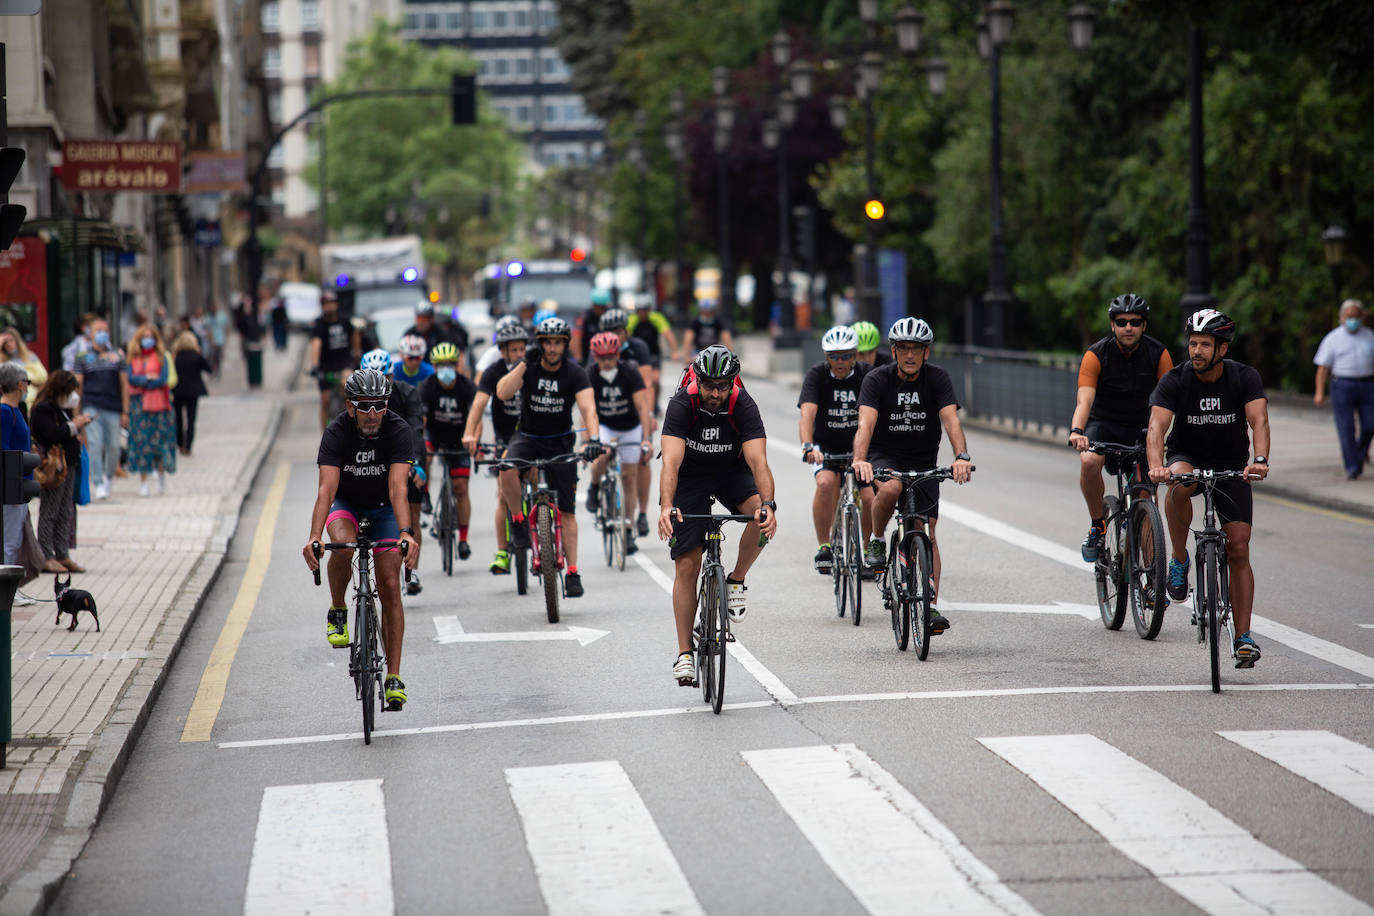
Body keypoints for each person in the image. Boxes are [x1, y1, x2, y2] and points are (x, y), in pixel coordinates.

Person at [1147, 309, 1270, 666]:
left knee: (1239, 549)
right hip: (1187, 455)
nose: (1195, 350)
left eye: (1204, 344)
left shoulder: (1244, 378)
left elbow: (1259, 420)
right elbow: (1156, 428)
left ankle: (1243, 637)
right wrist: (1157, 465)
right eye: (1193, 343)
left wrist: (1259, 460)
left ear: (1222, 349)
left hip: (1232, 463)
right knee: (1179, 483)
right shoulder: (1175, 380)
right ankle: (1180, 558)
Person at [658, 345, 777, 684]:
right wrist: (667, 506)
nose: (715, 392)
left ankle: (736, 579)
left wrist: (768, 504)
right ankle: (684, 654)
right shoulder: (682, 403)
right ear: (697, 378)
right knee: (687, 563)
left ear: (732, 382)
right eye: (709, 384)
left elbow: (758, 462)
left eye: (722, 385)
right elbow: (670, 462)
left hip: (731, 471)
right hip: (690, 478)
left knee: (761, 519)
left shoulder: (743, 404)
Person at [303, 368, 420, 710]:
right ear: (350, 407)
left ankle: (394, 676)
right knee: (340, 544)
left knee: (390, 583)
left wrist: (406, 534)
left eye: (379, 406)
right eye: (365, 407)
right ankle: (338, 608)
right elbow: (326, 490)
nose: (373, 415)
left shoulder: (398, 429)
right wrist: (313, 537)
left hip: (384, 508)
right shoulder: (336, 432)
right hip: (347, 504)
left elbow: (399, 488)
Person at [852, 318, 973, 636]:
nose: (909, 355)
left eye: (916, 349)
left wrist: (961, 456)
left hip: (923, 460)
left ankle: (929, 604)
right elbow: (865, 423)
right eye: (903, 348)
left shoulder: (938, 378)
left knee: (927, 532)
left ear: (926, 352)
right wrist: (860, 460)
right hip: (884, 456)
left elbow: (950, 419)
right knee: (890, 488)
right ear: (893, 351)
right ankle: (877, 540)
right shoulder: (877, 380)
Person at [494, 316, 602, 597]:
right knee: (506, 468)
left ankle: (573, 572)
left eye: (558, 343)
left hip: (560, 443)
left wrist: (594, 439)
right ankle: (518, 521)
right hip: (528, 439)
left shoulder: (575, 372)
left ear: (566, 345)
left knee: (567, 511)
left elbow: (588, 409)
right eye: (547, 343)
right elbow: (503, 393)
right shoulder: (527, 367)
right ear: (539, 344)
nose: (552, 349)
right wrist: (523, 363)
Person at [1068, 293, 1173, 560]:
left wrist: (1167, 436)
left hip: (1143, 429)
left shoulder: (1159, 354)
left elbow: (1171, 401)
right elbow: (1084, 400)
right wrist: (1077, 431)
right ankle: (1097, 525)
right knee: (1089, 461)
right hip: (1105, 424)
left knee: (1146, 497)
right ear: (1113, 324)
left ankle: (1151, 582)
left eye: (1135, 322)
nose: (1129, 327)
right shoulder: (1095, 355)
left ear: (1144, 325)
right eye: (1122, 321)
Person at [799, 325, 875, 573]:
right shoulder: (816, 375)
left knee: (869, 497)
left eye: (846, 356)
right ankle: (824, 546)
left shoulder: (867, 374)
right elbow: (807, 415)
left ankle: (865, 549)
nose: (840, 361)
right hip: (826, 445)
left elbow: (877, 413)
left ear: (855, 355)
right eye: (834, 356)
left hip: (861, 447)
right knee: (825, 484)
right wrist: (808, 446)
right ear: (826, 357)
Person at [359, 348, 428, 594]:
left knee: (412, 511)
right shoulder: (357, 401)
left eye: (385, 379)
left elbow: (416, 431)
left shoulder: (408, 394)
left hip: (405, 457)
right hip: (372, 462)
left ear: (392, 376)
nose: (380, 386)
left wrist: (417, 463)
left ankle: (412, 570)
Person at [464, 321, 528, 574]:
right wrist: (470, 434)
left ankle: (542, 529)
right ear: (503, 351)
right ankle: (502, 551)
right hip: (505, 436)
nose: (519, 354)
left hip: (531, 434)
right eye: (514, 350)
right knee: (503, 494)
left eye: (523, 348)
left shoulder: (532, 368)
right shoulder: (493, 372)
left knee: (537, 476)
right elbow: (478, 405)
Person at [586, 332, 653, 554]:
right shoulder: (590, 374)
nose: (606, 362)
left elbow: (643, 407)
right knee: (602, 455)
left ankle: (628, 528)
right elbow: (586, 410)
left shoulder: (630, 371)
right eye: (601, 358)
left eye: (610, 357)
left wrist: (645, 439)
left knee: (629, 477)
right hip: (605, 425)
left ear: (618, 355)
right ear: (595, 357)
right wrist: (587, 439)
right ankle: (594, 487)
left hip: (630, 427)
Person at [417, 342, 478, 561]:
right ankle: (424, 495)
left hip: (460, 438)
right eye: (440, 365)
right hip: (435, 435)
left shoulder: (467, 386)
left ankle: (463, 539)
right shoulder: (427, 386)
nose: (445, 369)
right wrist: (418, 443)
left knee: (461, 488)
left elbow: (476, 417)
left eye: (450, 364)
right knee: (424, 452)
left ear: (457, 365)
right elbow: (421, 420)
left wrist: (475, 441)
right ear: (433, 367)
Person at [599, 307, 657, 535]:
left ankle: (641, 513)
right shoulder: (599, 349)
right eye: (609, 331)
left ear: (625, 331)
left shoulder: (638, 348)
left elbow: (647, 385)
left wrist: (649, 415)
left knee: (641, 459)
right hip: (609, 412)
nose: (613, 335)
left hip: (636, 411)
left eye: (617, 331)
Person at [30, 371, 90, 573]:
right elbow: (51, 434)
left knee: (65, 511)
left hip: (68, 465)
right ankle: (46, 555)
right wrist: (76, 425)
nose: (73, 395)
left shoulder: (62, 409)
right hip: (53, 468)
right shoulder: (43, 409)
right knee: (50, 510)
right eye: (70, 390)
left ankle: (62, 554)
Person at [1313, 298, 1374, 480]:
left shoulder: (1369, 336)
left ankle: (1359, 453)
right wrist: (1319, 392)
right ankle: (1353, 466)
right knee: (1346, 427)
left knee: (1370, 424)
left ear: (1362, 317)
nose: (1353, 320)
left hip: (1367, 384)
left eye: (1356, 316)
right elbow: (1322, 368)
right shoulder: (1333, 338)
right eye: (1349, 317)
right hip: (1342, 386)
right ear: (1341, 318)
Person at [73, 318, 129, 501]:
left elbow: (124, 384)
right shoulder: (82, 357)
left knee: (114, 446)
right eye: (98, 330)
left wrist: (125, 411)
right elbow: (78, 386)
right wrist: (77, 412)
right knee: (96, 444)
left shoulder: (118, 355)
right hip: (92, 406)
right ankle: (97, 482)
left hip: (113, 407)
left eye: (105, 329)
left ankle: (108, 476)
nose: (102, 333)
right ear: (90, 333)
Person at [126, 324, 176, 497]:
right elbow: (131, 379)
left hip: (160, 405)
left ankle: (161, 476)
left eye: (151, 336)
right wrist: (147, 378)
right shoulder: (133, 358)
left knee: (160, 442)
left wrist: (145, 383)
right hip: (139, 406)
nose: (148, 340)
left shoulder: (162, 357)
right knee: (142, 444)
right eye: (144, 336)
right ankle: (143, 482)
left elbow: (163, 379)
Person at [309, 290, 360, 430]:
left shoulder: (345, 320)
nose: (330, 307)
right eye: (326, 304)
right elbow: (316, 343)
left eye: (332, 303)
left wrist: (356, 352)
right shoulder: (319, 324)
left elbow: (355, 334)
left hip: (345, 364)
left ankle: (353, 425)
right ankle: (325, 436)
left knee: (347, 386)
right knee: (325, 400)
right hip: (326, 367)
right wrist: (315, 365)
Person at [0, 363, 33, 566]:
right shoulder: (5, 412)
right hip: (11, 484)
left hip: (20, 482)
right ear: (20, 384)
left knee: (15, 539)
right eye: (27, 383)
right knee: (9, 541)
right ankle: (6, 588)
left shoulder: (15, 411)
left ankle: (11, 587)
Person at [626, 294, 680, 415]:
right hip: (637, 356)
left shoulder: (656, 318)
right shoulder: (632, 320)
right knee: (638, 381)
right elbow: (625, 336)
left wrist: (674, 351)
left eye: (645, 310)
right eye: (640, 310)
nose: (642, 313)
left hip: (653, 354)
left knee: (655, 381)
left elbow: (668, 335)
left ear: (649, 309)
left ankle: (654, 406)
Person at [172, 331, 213, 456]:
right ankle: (188, 446)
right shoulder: (196, 356)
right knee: (191, 420)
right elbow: (209, 369)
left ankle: (180, 443)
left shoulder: (175, 357)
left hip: (177, 391)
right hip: (193, 392)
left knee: (178, 419)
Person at [405, 301, 467, 366]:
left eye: (424, 319)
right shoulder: (409, 334)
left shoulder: (441, 334)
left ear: (431, 319)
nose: (421, 322)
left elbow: (455, 354)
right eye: (419, 318)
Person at [0, 327, 48, 409]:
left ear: (17, 340)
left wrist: (21, 377)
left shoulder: (30, 357)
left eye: (11, 340)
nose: (8, 344)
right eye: (5, 342)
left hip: (33, 401)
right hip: (11, 403)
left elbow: (43, 378)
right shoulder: (2, 362)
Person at [571, 288, 612, 365]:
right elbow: (576, 338)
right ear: (593, 305)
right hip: (586, 357)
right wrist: (579, 360)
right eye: (597, 306)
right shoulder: (583, 317)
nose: (600, 310)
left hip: (607, 358)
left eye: (602, 307)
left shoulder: (611, 316)